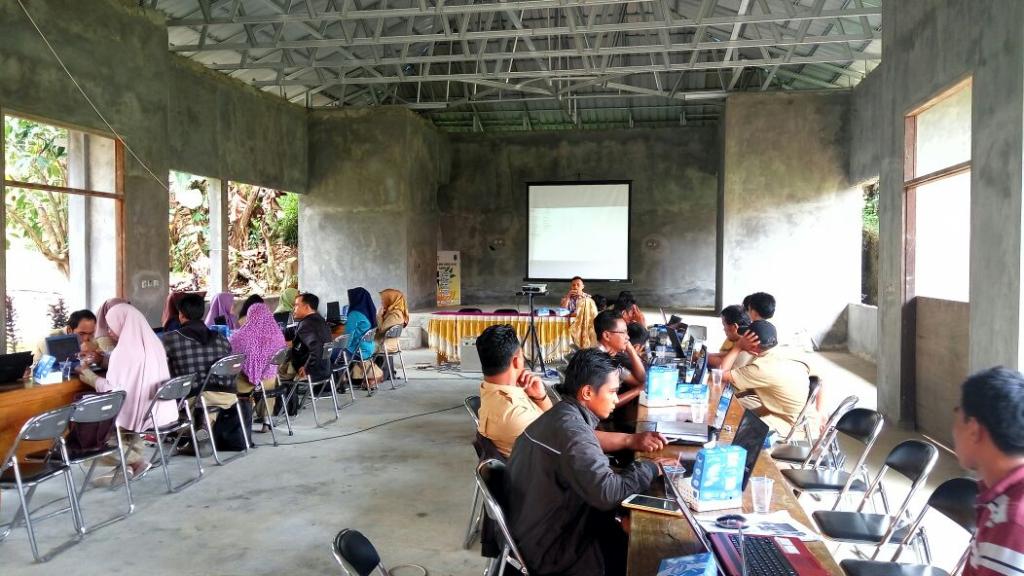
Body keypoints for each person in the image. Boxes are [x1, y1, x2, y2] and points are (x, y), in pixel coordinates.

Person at [506, 348, 678, 576]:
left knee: (631, 520)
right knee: (649, 549)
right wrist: (651, 467)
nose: (616, 399)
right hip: (553, 549)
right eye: (613, 392)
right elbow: (606, 493)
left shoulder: (562, 415)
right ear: (587, 392)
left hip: (538, 527)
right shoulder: (573, 432)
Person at [477, 325, 668, 458]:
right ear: (517, 361)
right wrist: (630, 440)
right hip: (555, 489)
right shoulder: (514, 414)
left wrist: (541, 397)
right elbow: (577, 438)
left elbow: (556, 422)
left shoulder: (493, 394)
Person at [76, 303, 177, 483]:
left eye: (111, 325)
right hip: (156, 410)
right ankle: (130, 467)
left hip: (136, 413)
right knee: (120, 420)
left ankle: (133, 461)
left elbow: (114, 392)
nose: (109, 331)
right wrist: (102, 360)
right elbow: (134, 372)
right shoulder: (153, 343)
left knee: (88, 416)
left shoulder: (123, 352)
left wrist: (89, 376)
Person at [952, 367, 1024, 576]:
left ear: (974, 429)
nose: (954, 430)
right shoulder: (1003, 499)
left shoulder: (1012, 520)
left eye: (957, 416)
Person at [717, 320, 814, 437]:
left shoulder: (761, 368)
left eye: (744, 339)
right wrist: (821, 411)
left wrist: (738, 347)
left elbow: (720, 375)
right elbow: (820, 379)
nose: (741, 340)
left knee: (728, 428)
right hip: (802, 416)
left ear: (754, 345)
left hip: (789, 424)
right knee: (734, 411)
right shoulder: (789, 352)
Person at [163, 293, 237, 433]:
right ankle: (203, 425)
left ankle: (195, 427)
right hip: (227, 395)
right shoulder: (221, 338)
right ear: (202, 314)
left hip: (194, 398)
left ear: (181, 314)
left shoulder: (171, 339)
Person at [230, 302, 286, 433]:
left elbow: (232, 353)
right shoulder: (277, 334)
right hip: (268, 382)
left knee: (231, 380)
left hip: (246, 383)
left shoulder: (241, 336)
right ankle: (267, 421)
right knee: (270, 376)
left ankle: (238, 420)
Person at [289, 292, 331, 383]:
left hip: (312, 374)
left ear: (306, 307)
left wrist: (307, 369)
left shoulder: (306, 325)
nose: (293, 309)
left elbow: (317, 349)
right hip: (325, 370)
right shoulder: (321, 320)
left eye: (296, 305)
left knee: (276, 370)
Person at [345, 287, 382, 389]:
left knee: (331, 354)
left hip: (358, 350)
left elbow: (347, 337)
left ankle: (339, 383)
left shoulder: (354, 314)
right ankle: (372, 376)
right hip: (369, 347)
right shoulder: (370, 311)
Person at [32, 309, 98, 363]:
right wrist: (78, 350)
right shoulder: (50, 340)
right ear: (69, 330)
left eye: (91, 333)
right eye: (81, 334)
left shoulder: (91, 337)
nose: (86, 338)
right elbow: (57, 367)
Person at [708, 304, 752, 369]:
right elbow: (728, 353)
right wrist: (709, 354)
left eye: (724, 325)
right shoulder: (744, 337)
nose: (723, 329)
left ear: (735, 327)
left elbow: (722, 366)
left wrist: (703, 357)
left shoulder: (747, 348)